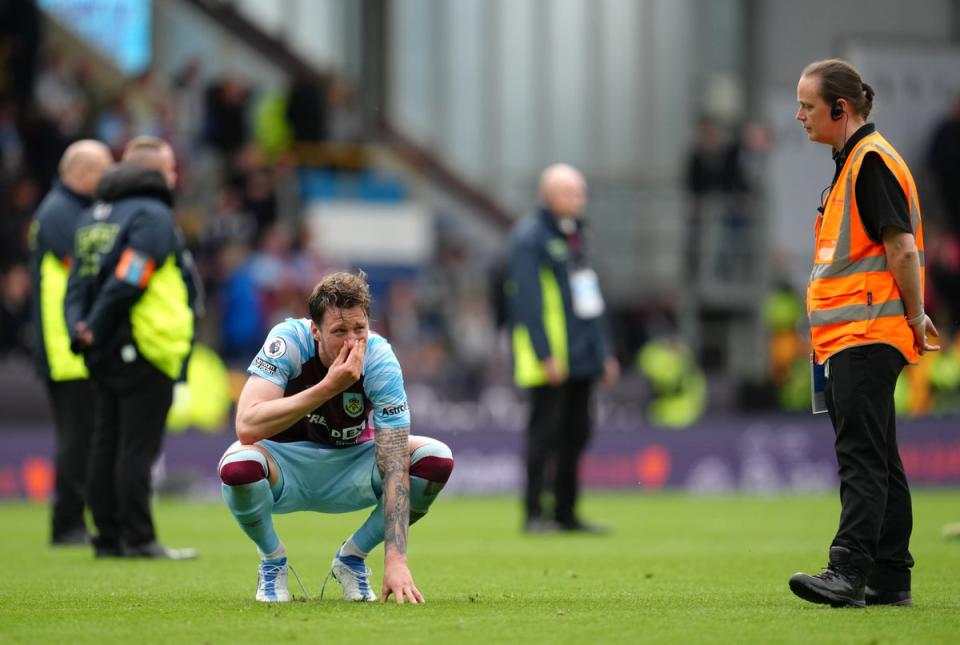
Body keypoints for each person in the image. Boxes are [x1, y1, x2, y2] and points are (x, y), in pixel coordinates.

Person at [788, 59, 939, 608]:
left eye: (807, 106)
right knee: (879, 454)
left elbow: (902, 248)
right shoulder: (855, 161)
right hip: (859, 332)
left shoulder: (870, 161)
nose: (799, 115)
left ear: (840, 109)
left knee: (861, 455)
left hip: (866, 331)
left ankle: (848, 570)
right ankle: (890, 575)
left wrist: (916, 313)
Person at [218, 271, 454, 603]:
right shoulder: (288, 342)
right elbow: (246, 425)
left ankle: (352, 558)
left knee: (436, 458)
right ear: (315, 330)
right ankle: (272, 560)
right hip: (284, 463)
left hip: (351, 464)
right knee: (238, 465)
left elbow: (395, 458)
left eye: (360, 329)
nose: (352, 341)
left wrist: (396, 560)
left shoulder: (379, 358)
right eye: (339, 331)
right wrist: (329, 386)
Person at [64, 135, 200, 559]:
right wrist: (100, 324)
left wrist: (82, 329)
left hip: (104, 346)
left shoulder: (93, 215)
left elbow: (77, 282)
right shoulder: (153, 214)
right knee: (136, 448)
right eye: (170, 168)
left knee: (106, 443)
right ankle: (138, 538)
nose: (175, 175)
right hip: (143, 343)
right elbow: (132, 275)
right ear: (154, 172)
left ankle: (107, 537)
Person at [506, 163, 618, 534]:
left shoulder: (576, 234)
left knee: (577, 433)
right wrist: (544, 354)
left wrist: (603, 351)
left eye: (580, 193)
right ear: (550, 195)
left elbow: (591, 298)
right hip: (552, 356)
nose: (579, 200)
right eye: (572, 193)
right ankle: (534, 513)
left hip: (582, 354)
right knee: (544, 435)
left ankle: (566, 513)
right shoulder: (530, 237)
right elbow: (527, 301)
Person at [28, 139, 113, 545]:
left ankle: (78, 520)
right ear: (82, 173)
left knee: (86, 435)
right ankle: (67, 524)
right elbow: (82, 270)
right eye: (103, 169)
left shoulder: (68, 210)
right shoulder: (60, 213)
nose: (109, 176)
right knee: (78, 437)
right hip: (66, 346)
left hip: (73, 340)